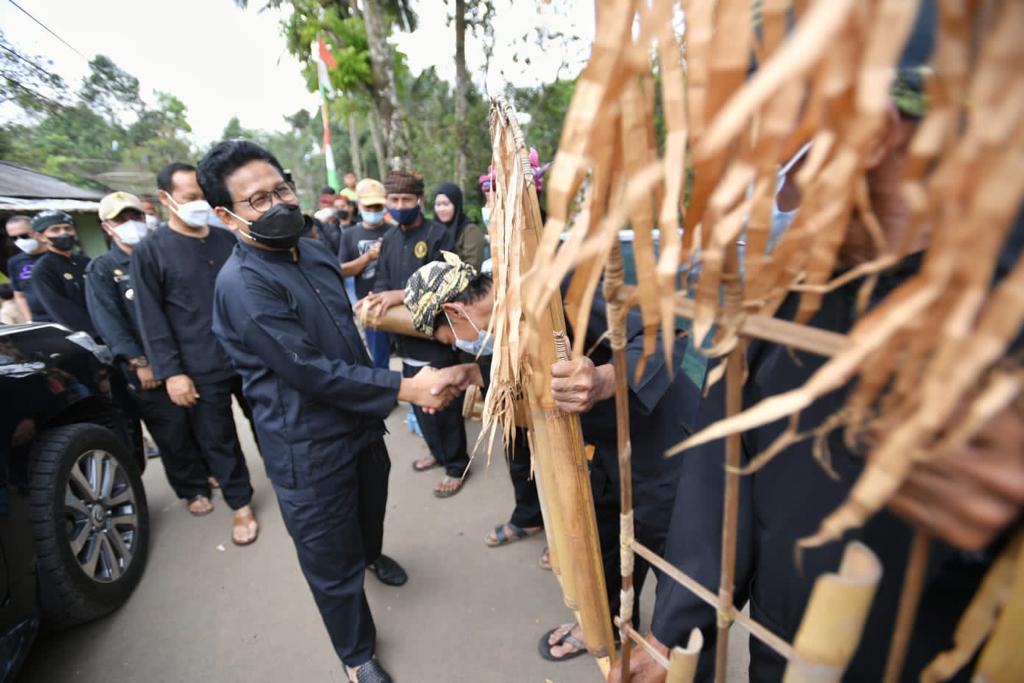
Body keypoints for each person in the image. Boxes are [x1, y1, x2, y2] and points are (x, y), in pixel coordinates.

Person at [200, 139, 477, 683]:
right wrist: (407, 387)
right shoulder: (243, 285)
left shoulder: (312, 249)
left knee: (370, 509)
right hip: (306, 444)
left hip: (359, 423)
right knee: (329, 559)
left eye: (281, 189)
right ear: (226, 216)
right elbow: (308, 369)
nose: (278, 203)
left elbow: (342, 324)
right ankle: (356, 654)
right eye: (258, 200)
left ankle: (371, 554)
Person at [402, 253, 700, 661]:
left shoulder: (562, 286)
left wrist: (603, 378)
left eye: (448, 339)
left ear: (454, 311)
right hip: (601, 448)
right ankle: (604, 624)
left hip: (661, 442)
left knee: (671, 553)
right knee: (604, 542)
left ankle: (662, 654)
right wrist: (469, 374)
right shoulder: (503, 327)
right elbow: (525, 368)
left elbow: (664, 336)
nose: (457, 346)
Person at [132, 161, 258, 546]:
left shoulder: (226, 239)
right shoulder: (151, 251)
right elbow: (150, 317)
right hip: (198, 364)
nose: (199, 204)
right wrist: (172, 373)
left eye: (203, 196)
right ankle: (240, 504)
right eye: (190, 197)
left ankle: (292, 485)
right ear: (166, 199)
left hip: (248, 356)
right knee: (218, 438)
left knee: (271, 423)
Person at [85, 191, 212, 515]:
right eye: (121, 219)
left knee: (199, 418)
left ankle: (209, 472)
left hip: (184, 355)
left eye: (135, 216)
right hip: (147, 365)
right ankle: (192, 489)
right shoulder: (103, 268)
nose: (131, 224)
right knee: (171, 429)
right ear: (107, 227)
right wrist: (139, 362)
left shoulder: (161, 254)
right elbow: (110, 322)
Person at [361, 170, 471, 498]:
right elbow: (381, 280)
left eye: (406, 199)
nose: (399, 205)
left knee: (444, 405)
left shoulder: (438, 235)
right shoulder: (390, 240)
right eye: (393, 200)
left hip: (436, 340)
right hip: (404, 340)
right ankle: (438, 453)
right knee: (421, 407)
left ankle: (457, 465)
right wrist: (376, 299)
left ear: (419, 200)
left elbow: (448, 284)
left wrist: (399, 295)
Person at [340, 178, 393, 369]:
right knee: (378, 358)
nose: (373, 211)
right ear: (359, 205)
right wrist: (368, 257)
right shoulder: (349, 235)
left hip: (395, 301)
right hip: (368, 304)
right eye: (368, 207)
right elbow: (342, 270)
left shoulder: (394, 231)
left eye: (377, 207)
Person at [29, 210, 95, 337]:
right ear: (40, 236)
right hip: (84, 335)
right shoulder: (43, 269)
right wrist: (95, 334)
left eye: (67, 228)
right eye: (55, 230)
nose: (64, 233)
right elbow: (60, 309)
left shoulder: (84, 261)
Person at [5, 214, 50, 322]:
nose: (19, 241)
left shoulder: (56, 255)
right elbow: (19, 296)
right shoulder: (15, 262)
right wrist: (29, 320)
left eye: (24, 236)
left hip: (66, 317)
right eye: (14, 238)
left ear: (37, 231)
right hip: (39, 320)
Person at [432, 182, 486, 271]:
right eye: (438, 204)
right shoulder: (432, 231)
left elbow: (472, 268)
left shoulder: (470, 231)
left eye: (446, 204)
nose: (441, 209)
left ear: (456, 205)